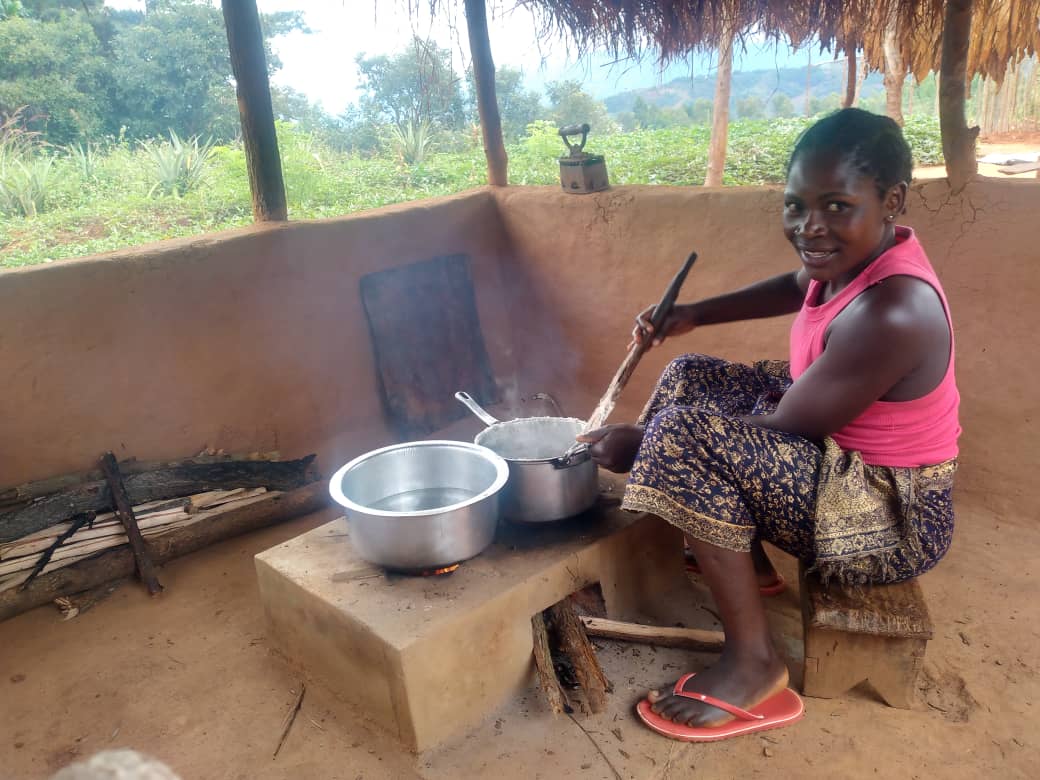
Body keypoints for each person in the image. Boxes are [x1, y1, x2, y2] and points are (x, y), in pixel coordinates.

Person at [576, 108, 960, 742]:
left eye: (836, 206)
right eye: (795, 206)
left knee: (680, 437)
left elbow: (784, 428)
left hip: (891, 518)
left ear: (891, 200)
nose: (811, 228)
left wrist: (641, 444)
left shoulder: (894, 310)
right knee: (691, 377)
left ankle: (755, 664)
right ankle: (746, 561)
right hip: (839, 460)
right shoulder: (849, 255)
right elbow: (796, 282)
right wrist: (694, 314)